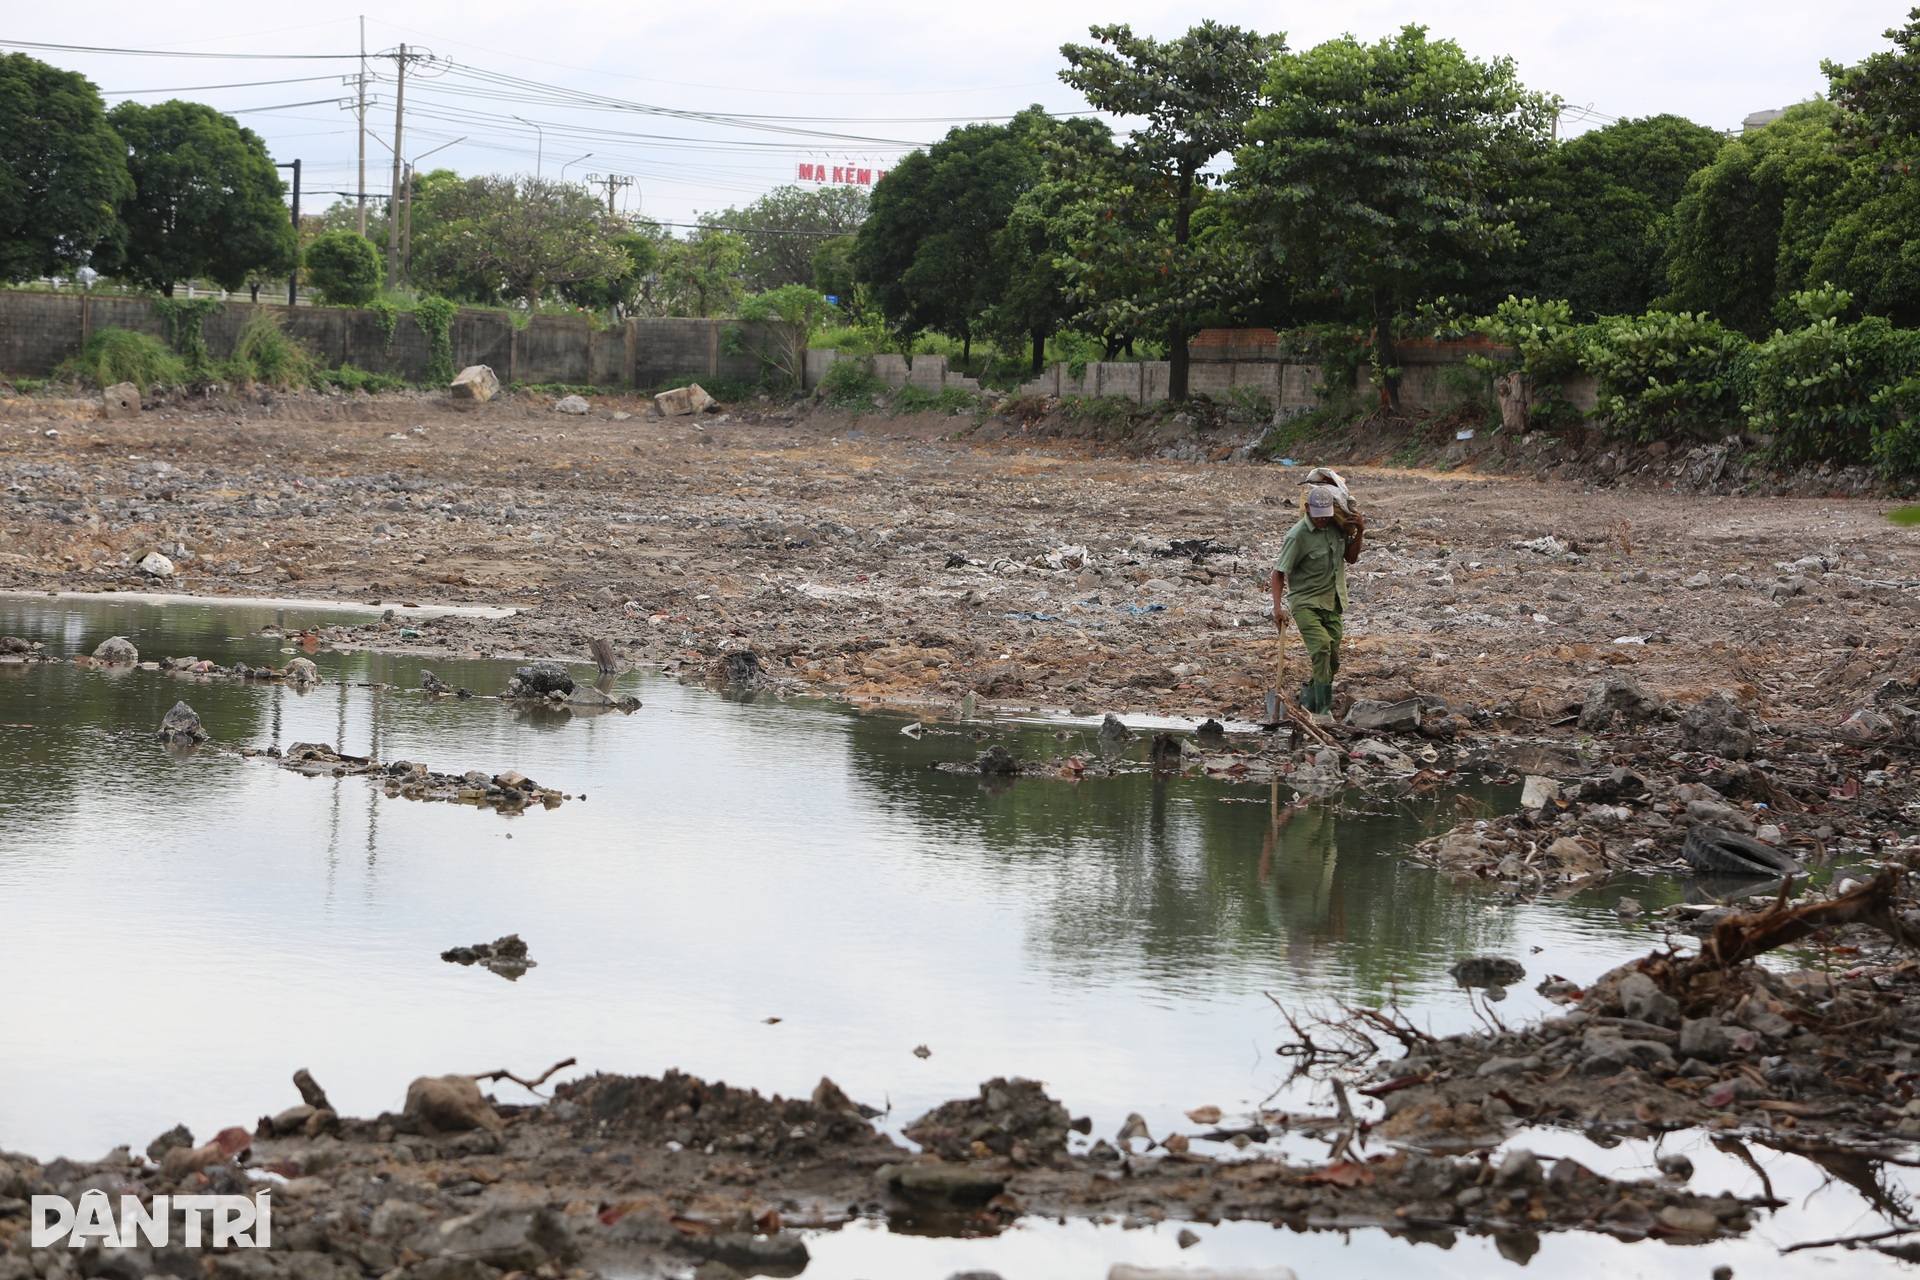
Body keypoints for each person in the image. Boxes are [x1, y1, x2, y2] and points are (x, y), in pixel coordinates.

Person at [1270, 484, 1366, 723]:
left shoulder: (1336, 529)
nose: (1322, 521)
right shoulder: (1297, 536)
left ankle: (1309, 699)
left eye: (1326, 516)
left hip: (1333, 602)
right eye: (1318, 516)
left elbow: (1351, 559)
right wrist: (1278, 607)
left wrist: (1360, 532)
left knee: (1332, 660)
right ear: (1307, 509)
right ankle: (1322, 712)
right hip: (1305, 603)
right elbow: (1279, 573)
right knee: (1321, 647)